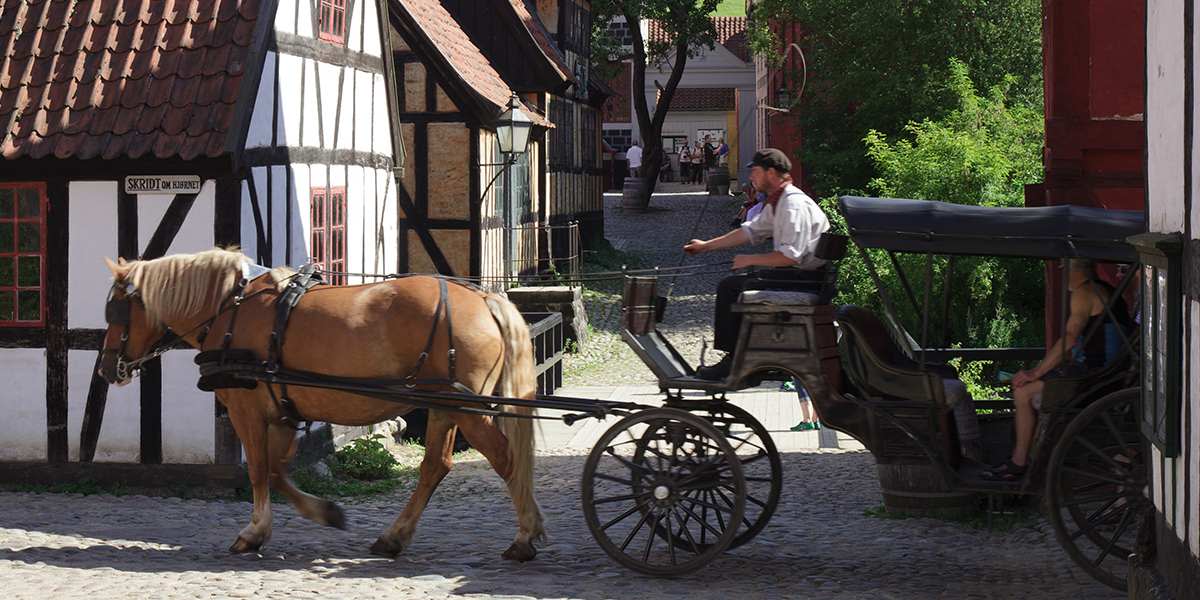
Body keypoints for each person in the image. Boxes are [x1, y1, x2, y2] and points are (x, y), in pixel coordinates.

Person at [683, 148, 831, 380]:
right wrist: (705, 246)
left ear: (771, 172)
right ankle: (746, 357)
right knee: (736, 284)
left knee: (730, 287)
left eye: (755, 171)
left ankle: (736, 361)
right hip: (797, 276)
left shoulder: (793, 204)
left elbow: (790, 256)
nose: (751, 176)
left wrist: (750, 259)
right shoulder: (778, 203)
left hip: (806, 280)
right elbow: (748, 232)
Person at [983, 258, 1133, 481]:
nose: (1064, 277)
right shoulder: (1105, 290)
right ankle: (1026, 455)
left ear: (1076, 271)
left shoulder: (1084, 292)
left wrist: (1035, 372)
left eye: (1065, 271)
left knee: (1023, 392)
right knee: (1030, 389)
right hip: (1105, 371)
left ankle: (1019, 462)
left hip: (1095, 375)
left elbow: (1069, 339)